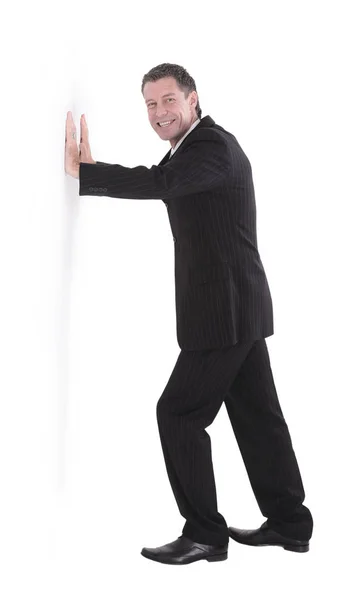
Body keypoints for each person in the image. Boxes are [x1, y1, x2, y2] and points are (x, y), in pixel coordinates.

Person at [65, 62, 313, 566]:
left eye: (168, 101)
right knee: (258, 416)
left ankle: (204, 533)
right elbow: (172, 182)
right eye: (151, 105)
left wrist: (86, 171)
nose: (159, 113)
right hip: (237, 306)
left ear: (193, 99)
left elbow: (162, 182)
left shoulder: (211, 148)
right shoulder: (195, 150)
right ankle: (290, 524)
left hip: (223, 311)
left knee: (177, 414)